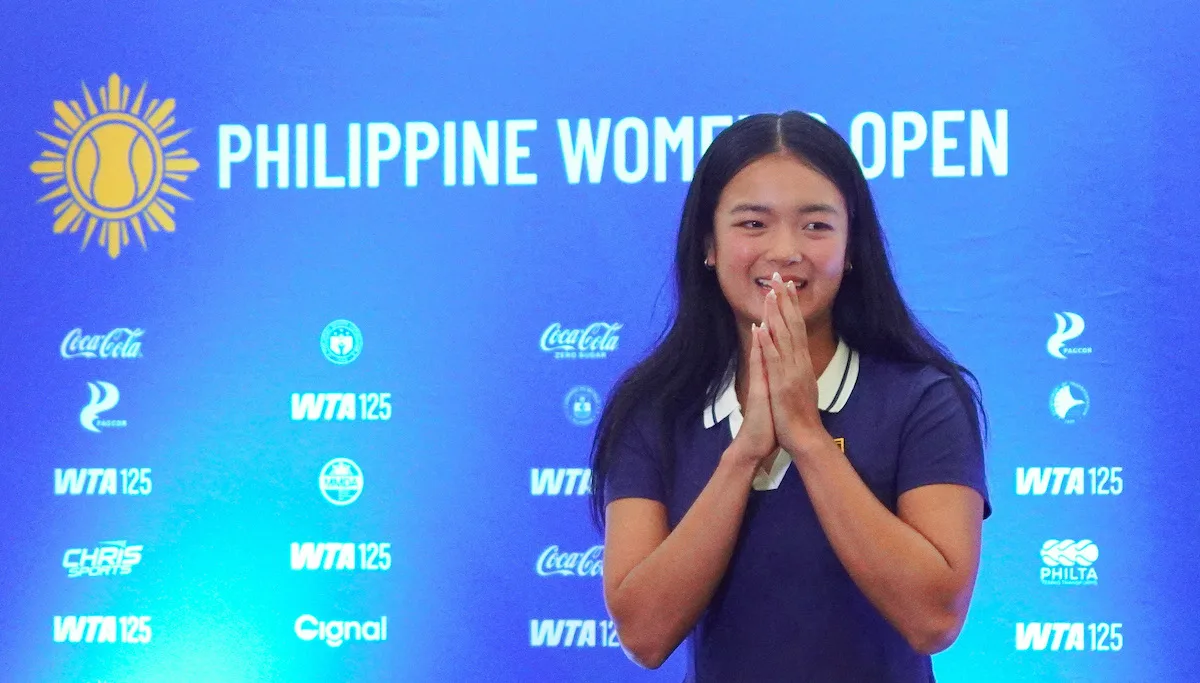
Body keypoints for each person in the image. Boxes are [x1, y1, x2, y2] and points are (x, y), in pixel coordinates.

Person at [590, 111, 991, 682]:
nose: (785, 251)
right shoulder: (655, 410)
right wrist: (744, 454)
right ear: (708, 243)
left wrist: (807, 436)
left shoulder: (924, 399)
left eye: (816, 225)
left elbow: (934, 619)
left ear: (851, 248)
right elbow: (644, 634)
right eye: (753, 224)